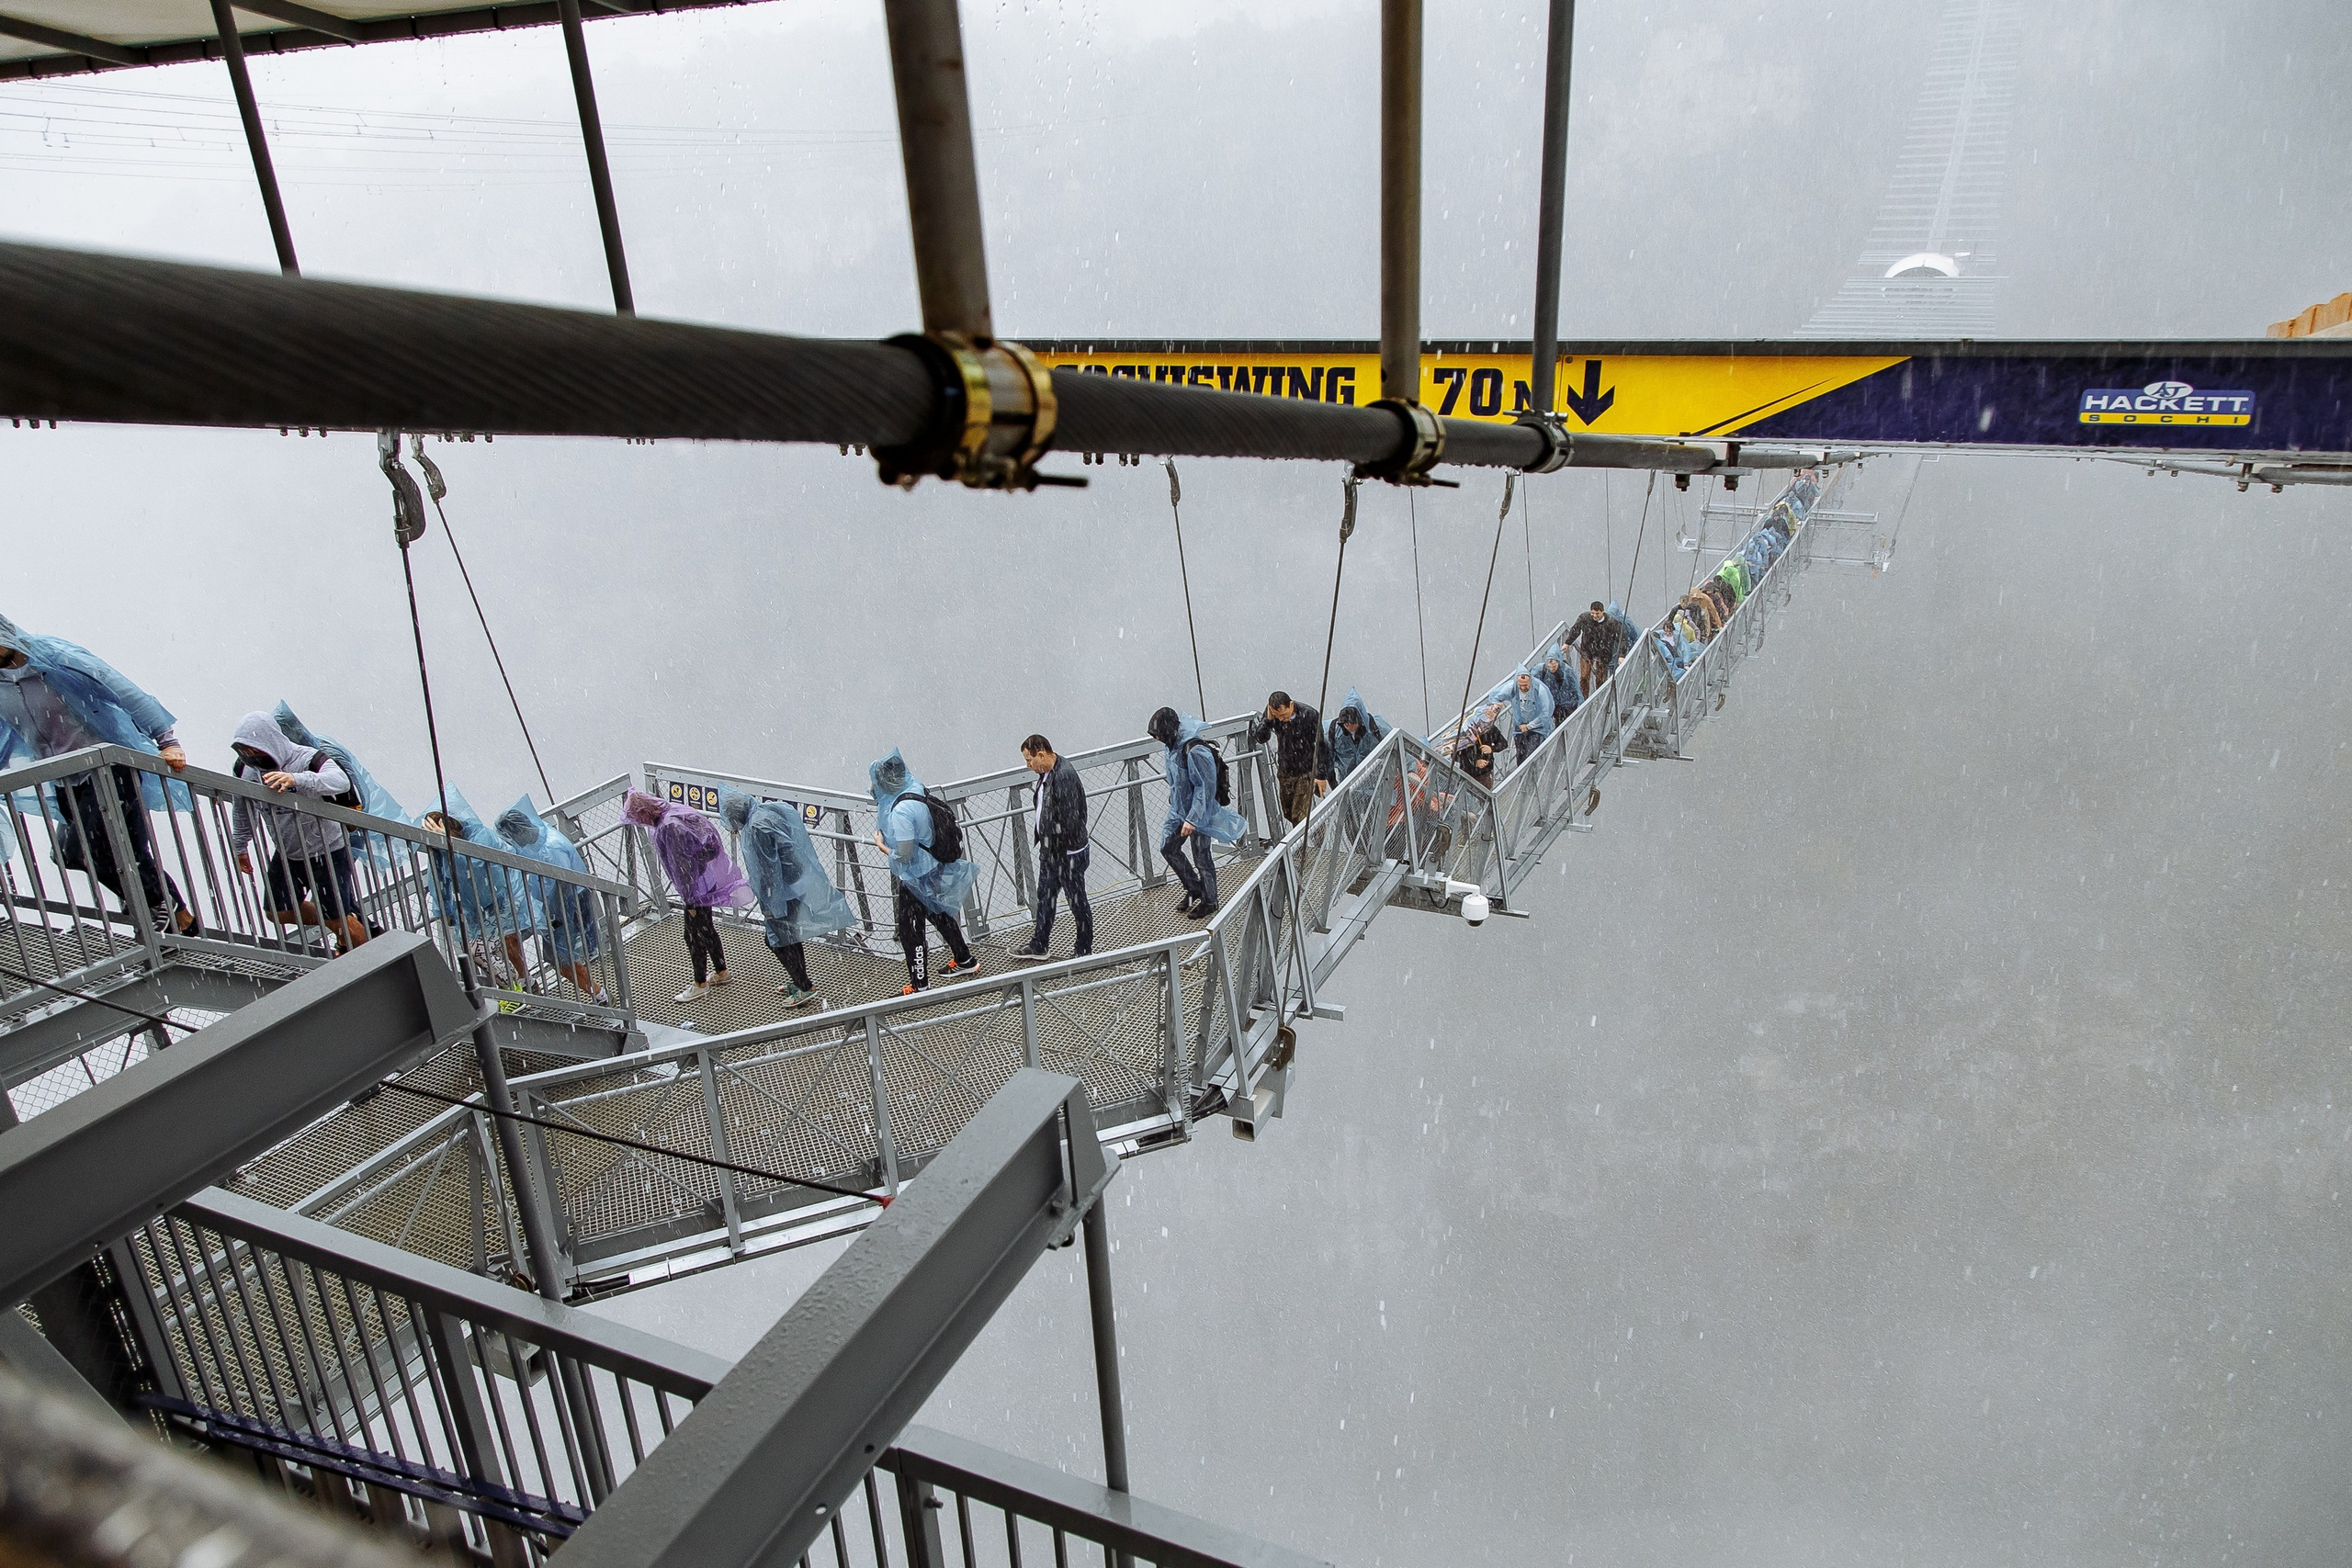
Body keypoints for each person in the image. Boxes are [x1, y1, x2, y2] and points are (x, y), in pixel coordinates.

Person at [0, 613, 197, 933]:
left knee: (102, 849)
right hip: (66, 778)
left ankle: (157, 904)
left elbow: (119, 687)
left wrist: (167, 740)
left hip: (107, 767)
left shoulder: (53, 659)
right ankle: (175, 915)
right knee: (74, 853)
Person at [227, 711, 368, 954]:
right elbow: (242, 809)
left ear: (271, 742)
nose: (253, 758)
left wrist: (296, 779)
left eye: (256, 751)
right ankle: (344, 922)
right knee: (277, 912)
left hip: (328, 850)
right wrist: (240, 846)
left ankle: (363, 952)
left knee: (337, 918)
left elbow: (340, 781)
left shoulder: (307, 758)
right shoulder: (245, 770)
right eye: (246, 752)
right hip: (289, 853)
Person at [720, 789, 854, 1009]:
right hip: (795, 882)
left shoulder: (755, 829)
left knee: (778, 941)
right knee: (789, 936)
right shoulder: (766, 813)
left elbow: (767, 869)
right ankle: (799, 980)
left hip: (781, 890)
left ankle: (804, 985)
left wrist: (770, 905)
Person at [623, 787, 752, 1004]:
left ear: (644, 812)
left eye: (637, 818)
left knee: (693, 936)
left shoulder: (668, 827)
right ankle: (721, 971)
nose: (639, 822)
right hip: (705, 879)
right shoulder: (674, 812)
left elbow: (682, 866)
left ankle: (700, 983)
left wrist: (690, 900)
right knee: (706, 928)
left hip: (695, 888)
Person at [868, 750, 979, 993]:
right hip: (932, 866)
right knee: (938, 913)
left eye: (874, 782)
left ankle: (920, 984)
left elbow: (905, 854)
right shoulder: (914, 787)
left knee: (911, 930)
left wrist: (882, 847)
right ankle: (965, 959)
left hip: (915, 876)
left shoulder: (900, 812)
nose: (872, 787)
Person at [495, 796, 611, 1006]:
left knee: (562, 959)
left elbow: (564, 887)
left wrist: (554, 920)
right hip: (545, 903)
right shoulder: (537, 839)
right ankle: (527, 982)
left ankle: (600, 995)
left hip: (567, 905)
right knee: (509, 937)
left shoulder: (552, 850)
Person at [1148, 707, 1247, 919]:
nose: (1157, 739)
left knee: (1202, 856)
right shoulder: (1171, 745)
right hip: (1178, 809)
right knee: (1168, 847)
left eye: (1158, 734)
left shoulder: (1194, 750)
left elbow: (1205, 788)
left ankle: (1210, 900)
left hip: (1200, 812)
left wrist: (1193, 819)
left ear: (1169, 731)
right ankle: (1194, 888)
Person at [1013, 735, 1092, 962]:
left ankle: (1084, 950)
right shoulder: (1047, 772)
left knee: (1077, 900)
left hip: (1067, 853)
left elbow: (1072, 820)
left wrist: (1056, 848)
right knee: (1045, 897)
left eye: (1029, 760)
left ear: (1040, 755)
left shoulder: (1063, 776)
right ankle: (1039, 945)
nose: (1027, 765)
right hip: (1052, 851)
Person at [1245, 690, 1333, 832]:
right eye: (1277, 716)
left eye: (1284, 715)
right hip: (1286, 769)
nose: (1281, 719)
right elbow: (1261, 738)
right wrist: (1268, 720)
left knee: (1299, 815)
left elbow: (1321, 746)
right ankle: (1316, 828)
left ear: (1291, 705)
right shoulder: (1272, 714)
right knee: (1288, 812)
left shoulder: (1309, 715)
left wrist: (1321, 775)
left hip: (1306, 770)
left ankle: (1301, 844)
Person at [1325, 689, 1391, 784]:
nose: (1348, 726)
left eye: (1352, 722)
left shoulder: (1377, 728)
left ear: (1360, 721)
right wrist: (1334, 786)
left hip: (1376, 784)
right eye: (1345, 723)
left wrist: (1410, 770)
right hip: (1347, 784)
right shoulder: (1332, 732)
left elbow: (1399, 747)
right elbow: (1326, 760)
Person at [1563, 601, 1624, 699]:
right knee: (1584, 677)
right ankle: (1584, 699)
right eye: (1592, 613)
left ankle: (1599, 698)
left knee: (1601, 679)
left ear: (1603, 612)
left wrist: (1621, 655)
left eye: (1597, 613)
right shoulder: (1584, 618)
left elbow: (1621, 639)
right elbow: (1575, 630)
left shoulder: (1612, 622)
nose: (1594, 616)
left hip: (1603, 653)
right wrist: (1567, 643)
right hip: (1587, 652)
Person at [1501, 668, 1554, 762]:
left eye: (1525, 685)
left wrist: (1529, 726)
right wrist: (1496, 703)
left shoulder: (1540, 690)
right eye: (1520, 685)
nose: (1522, 688)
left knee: (1532, 756)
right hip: (1520, 728)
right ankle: (1523, 771)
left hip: (1537, 728)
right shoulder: (1514, 687)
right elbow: (1497, 695)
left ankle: (1532, 772)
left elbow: (1546, 712)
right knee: (1521, 757)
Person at [1450, 704, 1506, 789]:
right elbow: (1455, 756)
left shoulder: (1490, 729)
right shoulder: (1463, 734)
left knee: (1485, 794)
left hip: (1485, 772)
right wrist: (1474, 762)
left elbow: (1503, 743)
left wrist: (1491, 749)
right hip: (1467, 774)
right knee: (1466, 794)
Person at [1537, 650, 1577, 719]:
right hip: (1555, 704)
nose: (1552, 668)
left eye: (1554, 666)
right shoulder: (1543, 672)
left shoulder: (1566, 672)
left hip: (1564, 705)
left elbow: (1574, 689)